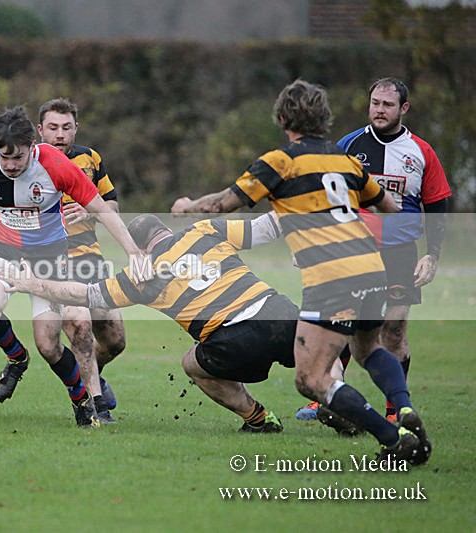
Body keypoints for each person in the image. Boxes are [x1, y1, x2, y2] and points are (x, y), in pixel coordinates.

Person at [170, 79, 431, 465]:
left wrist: (188, 206)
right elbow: (391, 207)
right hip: (371, 267)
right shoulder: (345, 161)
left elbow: (227, 203)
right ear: (324, 118)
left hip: (331, 277)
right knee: (368, 347)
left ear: (281, 117)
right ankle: (404, 408)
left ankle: (394, 438)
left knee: (310, 378)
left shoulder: (281, 161)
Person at [1, 212, 312, 433]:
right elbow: (267, 227)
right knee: (320, 364)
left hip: (233, 341)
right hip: (278, 313)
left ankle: (258, 418)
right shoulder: (204, 230)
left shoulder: (144, 273)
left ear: (139, 248)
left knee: (192, 363)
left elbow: (86, 294)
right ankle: (338, 404)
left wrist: (32, 284)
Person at [0, 106, 150, 427]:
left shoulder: (56, 165)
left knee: (50, 346)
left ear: (32, 147)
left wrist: (133, 250)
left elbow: (102, 208)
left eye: (18, 158)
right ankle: (16, 357)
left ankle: (80, 399)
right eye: (5, 158)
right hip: (4, 250)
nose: (10, 165)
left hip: (50, 258)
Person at [298, 78, 450, 423]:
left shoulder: (422, 152)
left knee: (393, 331)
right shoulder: (349, 145)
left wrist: (433, 254)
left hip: (400, 252)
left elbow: (438, 205)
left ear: (403, 109)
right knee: (343, 325)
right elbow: (323, 198)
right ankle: (327, 397)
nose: (379, 110)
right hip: (354, 250)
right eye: (375, 103)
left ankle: (396, 412)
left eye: (387, 105)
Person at [36, 97, 125, 423]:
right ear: (40, 129)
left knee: (114, 339)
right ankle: (96, 405)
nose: (60, 134)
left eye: (67, 127)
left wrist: (92, 208)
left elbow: (112, 206)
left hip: (92, 258)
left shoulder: (90, 158)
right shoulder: (29, 163)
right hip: (53, 260)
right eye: (53, 128)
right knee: (81, 329)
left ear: (76, 128)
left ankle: (91, 377)